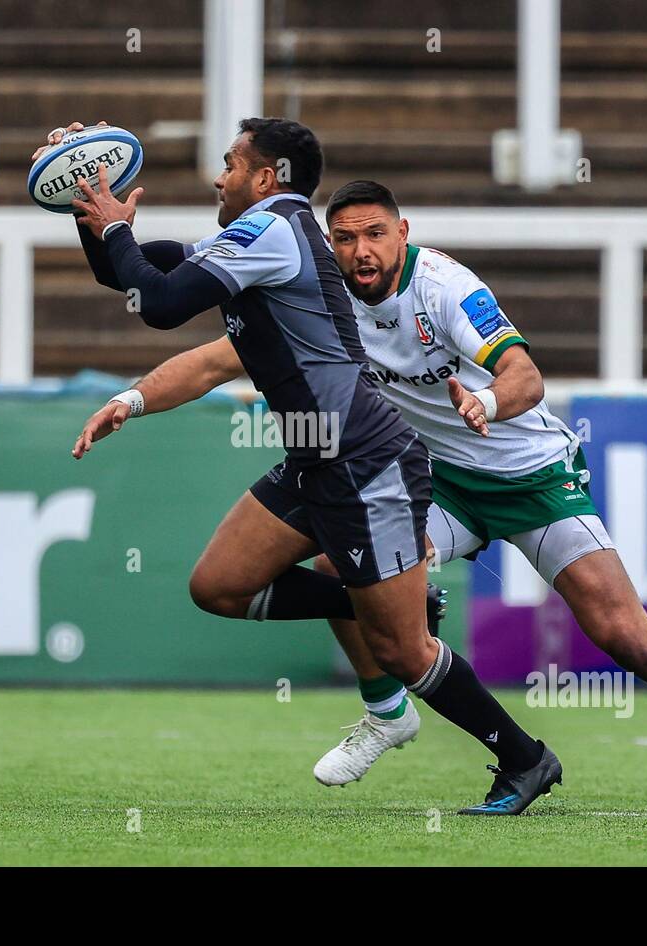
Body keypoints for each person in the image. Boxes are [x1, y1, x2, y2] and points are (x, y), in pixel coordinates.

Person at [71, 174, 647, 817]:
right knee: (343, 566)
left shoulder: (444, 287)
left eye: (375, 234)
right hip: (435, 478)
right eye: (345, 238)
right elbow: (211, 360)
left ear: (403, 233)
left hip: (531, 479)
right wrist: (133, 399)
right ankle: (386, 709)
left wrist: (489, 405)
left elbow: (526, 376)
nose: (360, 251)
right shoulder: (322, 294)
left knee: (626, 638)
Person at [46, 120, 561, 814]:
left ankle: (524, 758)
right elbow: (130, 276)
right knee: (220, 586)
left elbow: (163, 305)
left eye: (230, 163)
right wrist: (90, 205)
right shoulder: (253, 237)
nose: (218, 176)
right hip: (315, 458)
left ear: (267, 177)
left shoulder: (274, 232)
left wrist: (115, 229)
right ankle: (371, 602)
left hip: (364, 459)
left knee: (406, 652)